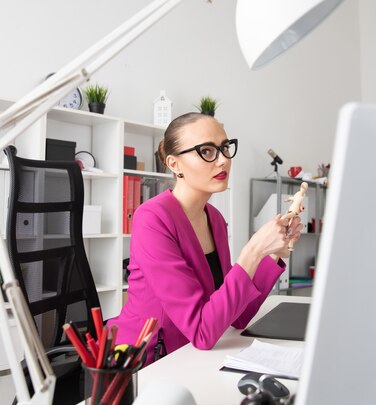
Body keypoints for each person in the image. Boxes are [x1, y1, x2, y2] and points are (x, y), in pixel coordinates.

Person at [107, 112, 303, 365]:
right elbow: (202, 332)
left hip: (190, 354)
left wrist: (272, 253)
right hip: (145, 360)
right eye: (207, 151)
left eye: (224, 148)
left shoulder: (215, 219)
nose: (223, 160)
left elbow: (237, 317)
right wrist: (253, 250)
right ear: (174, 164)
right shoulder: (152, 218)